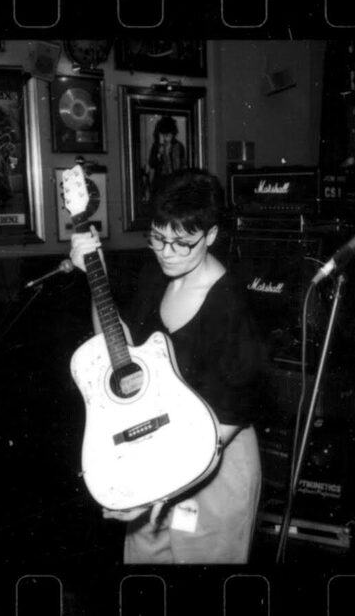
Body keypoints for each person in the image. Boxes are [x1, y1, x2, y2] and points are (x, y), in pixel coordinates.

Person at [70, 168, 264, 564]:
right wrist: (95, 276)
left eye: (182, 243)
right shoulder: (157, 275)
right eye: (158, 238)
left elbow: (224, 423)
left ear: (210, 236)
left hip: (213, 461)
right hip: (154, 449)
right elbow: (120, 356)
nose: (167, 252)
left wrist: (152, 489)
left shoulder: (232, 306)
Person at [148, 116, 187, 180]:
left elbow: (184, 165)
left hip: (176, 181)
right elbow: (152, 165)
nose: (166, 137)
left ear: (173, 133)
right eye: (164, 134)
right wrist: (159, 155)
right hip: (161, 181)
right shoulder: (156, 146)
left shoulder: (179, 146)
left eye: (169, 134)